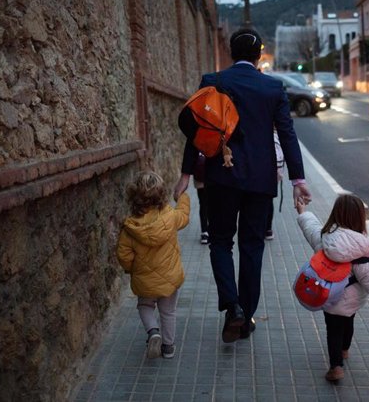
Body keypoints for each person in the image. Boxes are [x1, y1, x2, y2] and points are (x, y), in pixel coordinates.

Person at [173, 28, 312, 343]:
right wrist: (297, 180)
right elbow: (288, 134)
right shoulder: (273, 88)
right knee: (253, 247)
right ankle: (245, 316)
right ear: (259, 55)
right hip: (261, 180)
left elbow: (198, 129)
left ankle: (232, 307)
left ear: (232, 54)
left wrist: (185, 173)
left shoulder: (214, 81)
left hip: (222, 175)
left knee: (221, 242)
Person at [295, 193, 369, 382]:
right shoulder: (361, 247)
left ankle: (336, 366)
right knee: (348, 323)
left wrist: (303, 212)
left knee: (333, 330)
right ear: (359, 218)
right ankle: (345, 350)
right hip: (351, 300)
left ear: (335, 214)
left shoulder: (325, 239)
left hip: (328, 295)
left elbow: (311, 228)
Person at [116, 171, 190, 359]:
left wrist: (132, 269)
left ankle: (152, 331)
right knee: (168, 311)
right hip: (169, 277)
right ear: (161, 195)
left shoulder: (131, 228)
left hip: (145, 279)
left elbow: (123, 255)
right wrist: (183, 197)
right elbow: (184, 215)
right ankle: (168, 347)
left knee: (145, 306)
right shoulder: (171, 217)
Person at [265, 129, 285, 240]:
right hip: (276, 172)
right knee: (269, 200)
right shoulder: (277, 135)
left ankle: (262, 226)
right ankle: (268, 229)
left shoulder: (262, 133)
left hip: (262, 171)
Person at [193, 152, 209, 244]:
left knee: (203, 204)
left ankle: (205, 232)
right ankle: (206, 230)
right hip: (203, 174)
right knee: (206, 203)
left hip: (200, 173)